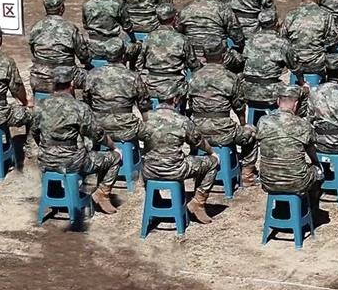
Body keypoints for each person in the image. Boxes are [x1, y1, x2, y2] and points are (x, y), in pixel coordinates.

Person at [32, 66, 122, 214]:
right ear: (72, 84)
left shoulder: (40, 105)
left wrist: (47, 148)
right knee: (115, 158)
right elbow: (97, 134)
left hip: (45, 160)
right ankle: (103, 194)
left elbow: (35, 132)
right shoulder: (79, 107)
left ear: (53, 84)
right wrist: (113, 147)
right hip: (72, 162)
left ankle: (55, 193)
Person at [138, 84, 220, 224]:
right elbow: (198, 141)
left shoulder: (146, 118)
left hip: (149, 171)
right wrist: (212, 153)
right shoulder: (182, 120)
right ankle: (198, 203)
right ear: (175, 99)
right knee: (212, 163)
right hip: (174, 170)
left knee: (145, 159)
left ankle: (155, 200)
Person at [186, 40, 259, 185]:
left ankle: (199, 161)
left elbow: (191, 104)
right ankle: (248, 174)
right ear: (223, 56)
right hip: (223, 129)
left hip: (197, 130)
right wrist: (243, 124)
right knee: (251, 133)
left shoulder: (194, 76)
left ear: (204, 56)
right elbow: (239, 106)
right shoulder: (230, 77)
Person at [83, 42, 149, 188]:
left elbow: (87, 100)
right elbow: (143, 104)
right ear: (124, 55)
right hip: (125, 127)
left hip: (98, 126)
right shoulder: (133, 77)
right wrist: (148, 126)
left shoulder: (92, 74)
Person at [257, 84, 323, 211]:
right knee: (318, 173)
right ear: (296, 104)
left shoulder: (263, 121)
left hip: (268, 181)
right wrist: (316, 164)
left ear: (278, 101)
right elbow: (311, 148)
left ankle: (281, 208)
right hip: (297, 181)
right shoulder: (303, 125)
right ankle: (312, 210)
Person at [27, 0, 92, 95]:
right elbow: (83, 56)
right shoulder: (70, 28)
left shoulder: (36, 27)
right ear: (62, 8)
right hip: (65, 79)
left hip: (39, 77)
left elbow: (33, 51)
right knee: (94, 77)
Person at [177, 0, 244, 68]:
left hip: (193, 59)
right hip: (218, 58)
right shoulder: (223, 8)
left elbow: (179, 33)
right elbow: (237, 36)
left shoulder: (186, 9)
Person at [280, 0, 338, 80]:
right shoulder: (325, 15)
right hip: (317, 64)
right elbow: (333, 41)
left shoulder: (290, 16)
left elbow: (283, 41)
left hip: (296, 64)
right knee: (336, 57)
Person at [136, 3, 198, 105]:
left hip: (152, 86)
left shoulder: (148, 38)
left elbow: (139, 64)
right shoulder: (182, 39)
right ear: (174, 19)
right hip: (175, 87)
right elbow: (193, 64)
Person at [239, 8, 297, 109]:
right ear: (276, 23)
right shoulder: (282, 42)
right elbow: (294, 66)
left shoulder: (250, 40)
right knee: (296, 94)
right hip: (270, 92)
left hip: (248, 90)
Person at [82, 0, 132, 65]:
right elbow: (127, 26)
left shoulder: (86, 4)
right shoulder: (117, 4)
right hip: (114, 49)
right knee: (136, 48)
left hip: (94, 49)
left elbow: (85, 25)